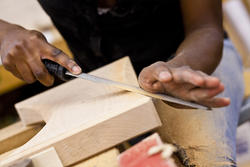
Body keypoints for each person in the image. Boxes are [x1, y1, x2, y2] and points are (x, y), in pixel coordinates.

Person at [0, 0, 244, 166]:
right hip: (99, 86)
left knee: (205, 158)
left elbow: (204, 27)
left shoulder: (185, 71)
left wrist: (177, 69)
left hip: (191, 67)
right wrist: (5, 33)